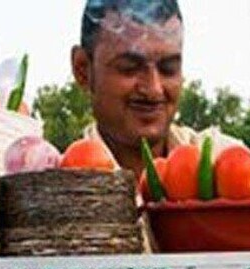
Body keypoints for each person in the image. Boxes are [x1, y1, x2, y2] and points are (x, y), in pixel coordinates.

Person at [71, 0, 237, 178]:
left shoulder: (224, 163)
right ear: (83, 70)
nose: (153, 89)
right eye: (129, 68)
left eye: (168, 69)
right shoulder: (59, 187)